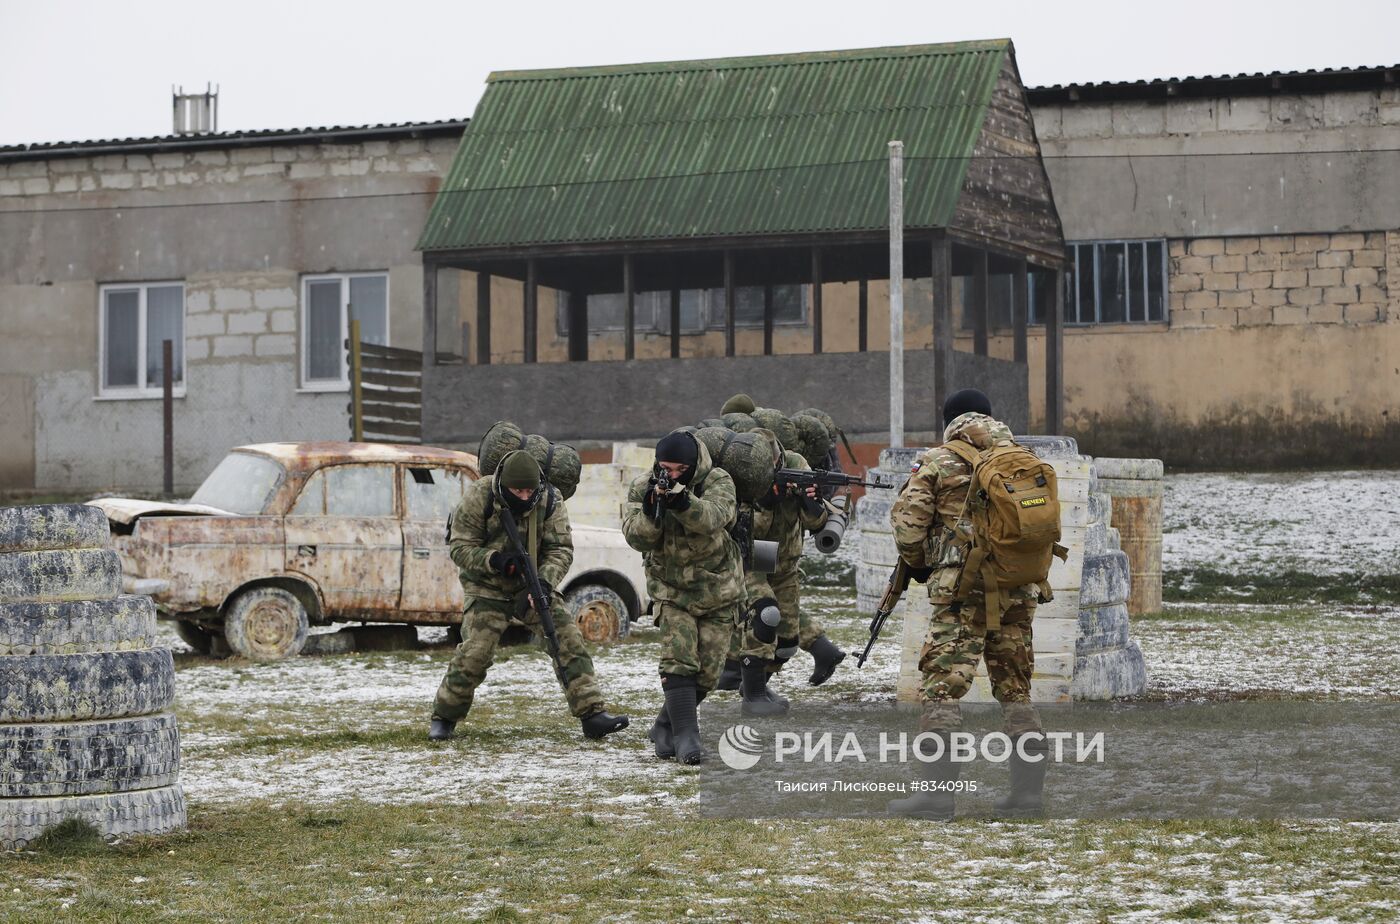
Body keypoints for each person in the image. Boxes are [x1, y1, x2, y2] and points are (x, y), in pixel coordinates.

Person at [885, 389, 1048, 819]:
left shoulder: (937, 460)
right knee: (1015, 689)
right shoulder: (1022, 458)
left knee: (941, 689)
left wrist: (922, 565)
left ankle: (937, 796)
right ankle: (1028, 795)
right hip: (1020, 584)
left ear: (949, 421)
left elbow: (907, 527)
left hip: (962, 592)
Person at [429, 451, 629, 742]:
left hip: (533, 584)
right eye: (517, 491)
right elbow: (460, 547)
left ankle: (592, 714)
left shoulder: (550, 500)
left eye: (529, 490)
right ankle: (444, 717)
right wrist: (496, 560)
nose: (524, 497)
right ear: (503, 485)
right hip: (487, 587)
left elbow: (560, 548)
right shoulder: (480, 496)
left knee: (567, 639)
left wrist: (545, 583)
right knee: (476, 652)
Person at [622, 430, 745, 764]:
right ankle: (688, 737)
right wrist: (651, 510)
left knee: (708, 672)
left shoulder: (717, 480)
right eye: (666, 468)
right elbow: (635, 536)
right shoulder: (643, 484)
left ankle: (665, 726)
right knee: (679, 660)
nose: (671, 475)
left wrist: (682, 501)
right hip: (671, 589)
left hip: (720, 589)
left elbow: (715, 518)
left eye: (679, 470)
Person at [717, 444, 846, 708]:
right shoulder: (742, 472)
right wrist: (766, 501)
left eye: (776, 461)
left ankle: (757, 687)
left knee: (788, 639)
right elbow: (740, 527)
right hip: (750, 557)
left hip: (783, 557)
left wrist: (809, 502)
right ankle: (751, 696)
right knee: (764, 615)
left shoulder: (797, 465)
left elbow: (815, 522)